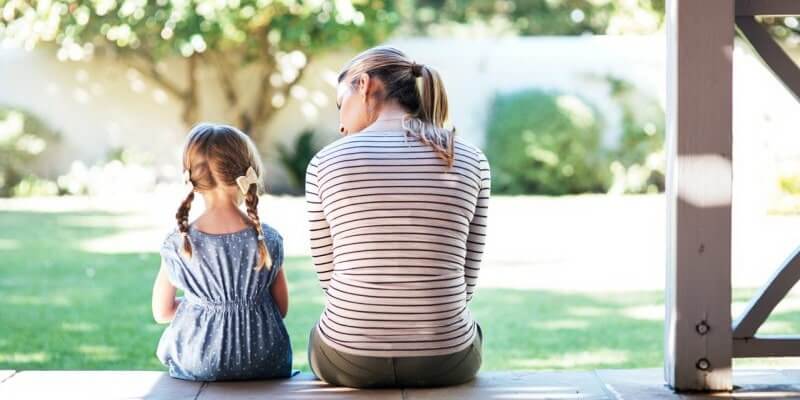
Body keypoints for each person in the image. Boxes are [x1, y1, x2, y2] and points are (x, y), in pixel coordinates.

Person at [305, 46, 491, 388]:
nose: (341, 124)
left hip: (348, 359)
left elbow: (329, 279)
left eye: (339, 104)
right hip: (446, 359)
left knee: (321, 334)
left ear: (363, 85)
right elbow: (467, 278)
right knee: (472, 329)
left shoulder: (325, 163)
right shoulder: (470, 159)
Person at [152, 122, 291, 381]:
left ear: (191, 178)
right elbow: (280, 308)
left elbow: (162, 312)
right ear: (247, 173)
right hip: (266, 360)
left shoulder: (178, 243)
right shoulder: (268, 238)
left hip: (200, 362)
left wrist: (201, 304)